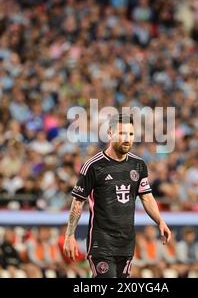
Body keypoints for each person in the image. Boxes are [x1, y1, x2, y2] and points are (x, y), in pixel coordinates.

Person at [63, 114, 171, 278]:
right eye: (121, 133)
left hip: (126, 242)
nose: (127, 139)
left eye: (131, 134)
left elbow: (146, 197)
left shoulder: (138, 165)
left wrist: (160, 221)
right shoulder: (93, 166)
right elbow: (77, 202)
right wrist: (69, 235)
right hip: (101, 242)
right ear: (109, 133)